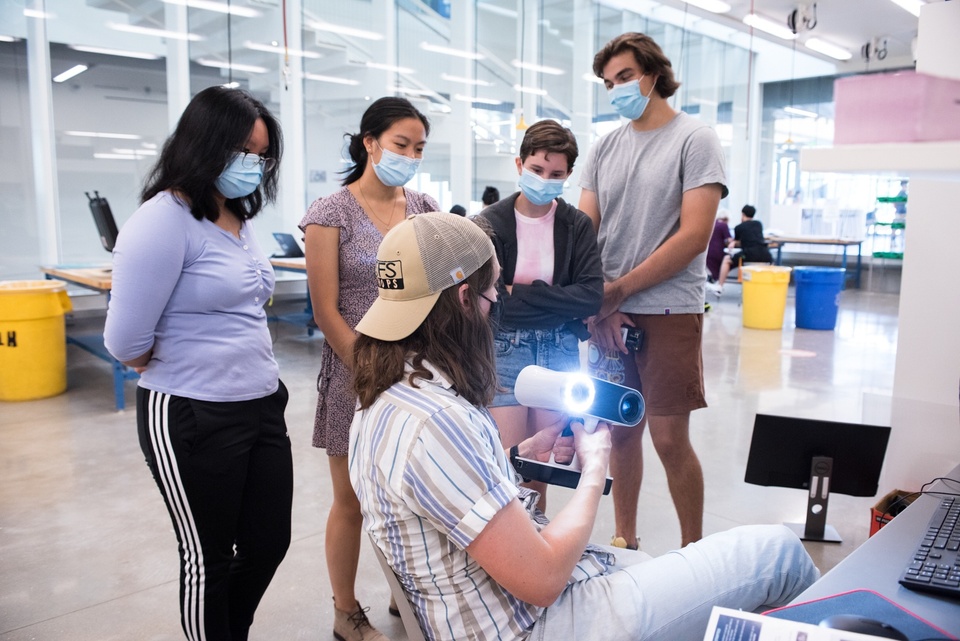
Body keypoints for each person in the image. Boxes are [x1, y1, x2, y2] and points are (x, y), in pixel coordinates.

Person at [348, 212, 819, 641]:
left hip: (475, 614)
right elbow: (544, 579)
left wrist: (510, 464)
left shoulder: (382, 400)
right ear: (466, 299)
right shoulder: (440, 423)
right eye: (494, 295)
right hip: (534, 624)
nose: (496, 310)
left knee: (652, 565)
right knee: (778, 553)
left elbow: (444, 504)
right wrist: (595, 468)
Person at [104, 86, 292, 641]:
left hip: (260, 402)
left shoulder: (236, 216)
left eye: (261, 156)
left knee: (266, 543)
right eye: (242, 152)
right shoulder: (161, 221)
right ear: (204, 145)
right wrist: (188, 363)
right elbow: (125, 342)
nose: (252, 166)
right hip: (190, 412)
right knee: (206, 556)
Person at [577, 32, 727, 550]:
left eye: (624, 76)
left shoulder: (695, 138)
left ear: (653, 73)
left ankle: (694, 551)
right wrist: (599, 305)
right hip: (608, 311)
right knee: (620, 432)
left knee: (668, 438)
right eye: (608, 82)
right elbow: (584, 232)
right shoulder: (604, 147)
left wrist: (618, 291)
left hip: (666, 307)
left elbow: (694, 236)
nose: (616, 88)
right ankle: (625, 540)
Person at [300, 96, 439, 641]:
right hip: (354, 374)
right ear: (369, 143)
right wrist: (368, 371)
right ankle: (345, 611)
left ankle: (406, 597)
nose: (409, 155)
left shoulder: (425, 208)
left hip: (418, 374)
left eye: (419, 148)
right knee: (352, 499)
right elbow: (325, 309)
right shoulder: (329, 213)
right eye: (401, 144)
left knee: (408, 496)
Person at [477, 119, 603, 509]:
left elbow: (591, 297)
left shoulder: (577, 225)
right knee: (509, 470)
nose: (545, 179)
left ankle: (535, 557)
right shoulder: (488, 224)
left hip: (559, 350)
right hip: (504, 347)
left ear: (567, 176)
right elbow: (492, 298)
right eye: (537, 169)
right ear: (519, 165)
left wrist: (522, 293)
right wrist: (555, 298)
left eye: (556, 174)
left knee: (540, 474)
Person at [714, 204, 773, 296]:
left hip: (749, 254)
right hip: (765, 254)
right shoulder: (759, 224)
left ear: (742, 214)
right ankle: (770, 287)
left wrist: (733, 243)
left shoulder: (739, 227)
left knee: (726, 259)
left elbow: (738, 241)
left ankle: (719, 287)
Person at [706, 211, 731, 283]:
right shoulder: (724, 225)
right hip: (718, 251)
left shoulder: (712, 224)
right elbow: (729, 240)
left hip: (709, 250)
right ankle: (718, 284)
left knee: (713, 270)